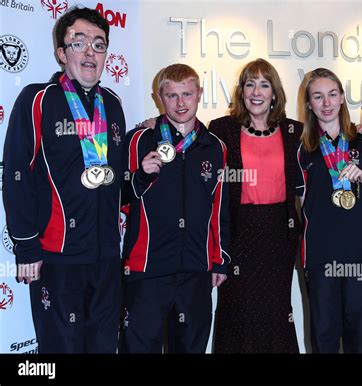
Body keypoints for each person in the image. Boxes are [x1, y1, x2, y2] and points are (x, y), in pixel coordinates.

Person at [3, 6, 125, 353]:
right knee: (60, 350)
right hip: (57, 258)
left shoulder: (113, 104)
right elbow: (16, 175)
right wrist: (26, 247)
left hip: (105, 258)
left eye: (99, 44)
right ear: (61, 52)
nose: (90, 51)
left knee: (103, 347)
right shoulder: (37, 99)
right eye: (79, 42)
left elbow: (115, 178)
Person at [119, 64, 229, 353]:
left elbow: (220, 208)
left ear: (200, 94)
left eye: (187, 94)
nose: (180, 103)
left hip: (196, 269)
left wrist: (219, 260)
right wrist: (140, 177)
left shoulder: (215, 147)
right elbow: (117, 200)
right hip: (147, 269)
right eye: (171, 95)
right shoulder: (138, 140)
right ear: (159, 97)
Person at [296, 68, 362, 353]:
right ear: (310, 104)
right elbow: (302, 206)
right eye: (318, 96)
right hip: (320, 258)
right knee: (324, 339)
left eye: (332, 94)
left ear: (342, 99)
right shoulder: (302, 148)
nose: (326, 103)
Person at [208, 58, 302, 353]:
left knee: (276, 311)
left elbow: (331, 140)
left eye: (264, 84)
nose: (257, 91)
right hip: (238, 233)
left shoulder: (294, 132)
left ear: (274, 93)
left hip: (280, 233)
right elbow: (188, 139)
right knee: (237, 310)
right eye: (250, 84)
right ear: (242, 91)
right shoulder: (221, 129)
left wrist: (357, 131)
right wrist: (152, 126)